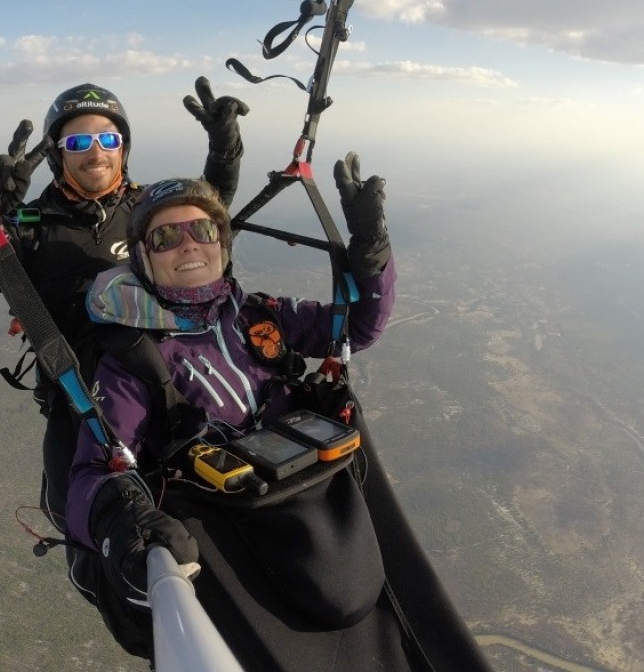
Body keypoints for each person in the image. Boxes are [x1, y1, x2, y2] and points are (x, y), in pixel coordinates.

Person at [64, 167, 410, 670]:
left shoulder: (258, 315)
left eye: (202, 230)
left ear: (222, 245)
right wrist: (122, 519)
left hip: (319, 512)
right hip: (236, 539)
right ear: (142, 258)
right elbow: (95, 470)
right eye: (165, 237)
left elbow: (357, 326)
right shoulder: (134, 359)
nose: (188, 246)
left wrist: (371, 249)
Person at [0, 81, 248, 555]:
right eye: (78, 142)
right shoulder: (28, 233)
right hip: (87, 410)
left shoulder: (148, 211)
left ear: (124, 148)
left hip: (180, 391)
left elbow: (210, 214)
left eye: (108, 139)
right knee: (88, 530)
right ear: (58, 156)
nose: (96, 153)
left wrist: (224, 148)